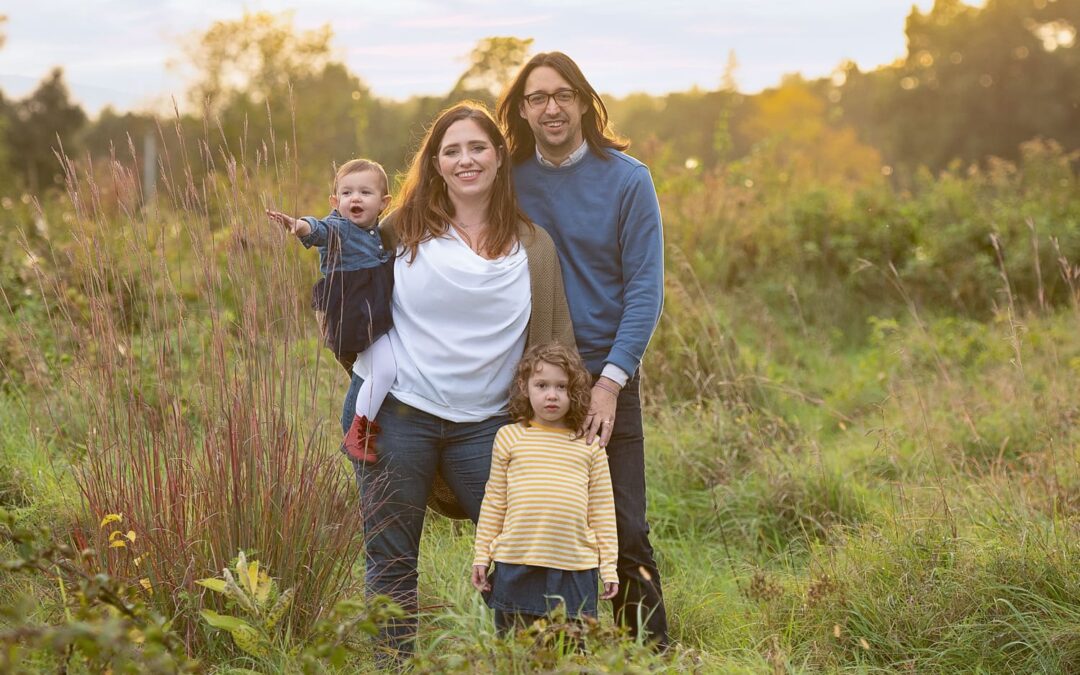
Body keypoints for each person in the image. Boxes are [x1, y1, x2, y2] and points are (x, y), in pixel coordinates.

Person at [342, 101, 575, 661]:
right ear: (436, 164)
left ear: (499, 158)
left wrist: (562, 422)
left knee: (521, 548)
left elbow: (555, 343)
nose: (465, 159)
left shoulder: (533, 246)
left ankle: (524, 661)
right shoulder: (401, 229)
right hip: (398, 415)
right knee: (391, 558)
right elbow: (349, 293)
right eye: (451, 151)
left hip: (488, 427)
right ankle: (391, 666)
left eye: (477, 148)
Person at [498, 52, 669, 647]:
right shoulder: (507, 177)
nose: (551, 107)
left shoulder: (628, 178)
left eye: (563, 95)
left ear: (583, 102)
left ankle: (651, 654)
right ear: (522, 109)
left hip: (604, 373)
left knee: (622, 522)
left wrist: (610, 382)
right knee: (536, 521)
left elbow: (646, 291)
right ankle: (542, 650)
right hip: (533, 377)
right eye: (538, 97)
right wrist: (342, 230)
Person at [471, 342, 618, 634]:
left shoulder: (588, 444)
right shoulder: (509, 437)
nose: (552, 395)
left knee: (571, 650)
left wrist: (609, 566)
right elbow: (494, 502)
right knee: (516, 650)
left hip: (574, 566)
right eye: (541, 385)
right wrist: (481, 555)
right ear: (525, 388)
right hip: (517, 561)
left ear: (574, 391)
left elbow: (602, 510)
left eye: (562, 387)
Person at [267, 158, 395, 464]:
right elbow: (320, 229)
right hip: (356, 314)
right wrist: (299, 226)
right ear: (335, 202)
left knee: (380, 366)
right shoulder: (341, 228)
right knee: (383, 369)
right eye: (347, 193)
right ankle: (359, 431)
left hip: (372, 310)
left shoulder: (378, 231)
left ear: (384, 203)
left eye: (365, 192)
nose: (356, 198)